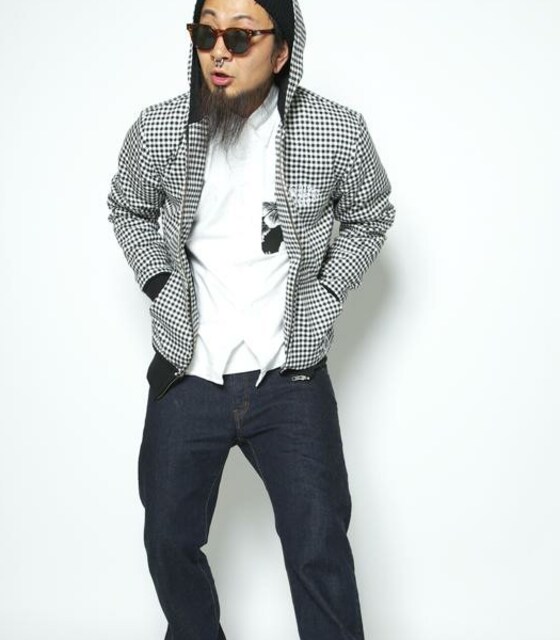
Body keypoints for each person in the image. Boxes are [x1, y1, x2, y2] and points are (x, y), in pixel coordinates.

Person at [106, 0, 396, 637]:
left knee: (319, 548)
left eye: (239, 38)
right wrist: (159, 282)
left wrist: (327, 292)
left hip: (289, 378)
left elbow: (371, 214)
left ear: (282, 50)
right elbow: (127, 207)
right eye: (206, 33)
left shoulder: (336, 130)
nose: (218, 52)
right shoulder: (160, 129)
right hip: (189, 372)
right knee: (167, 541)